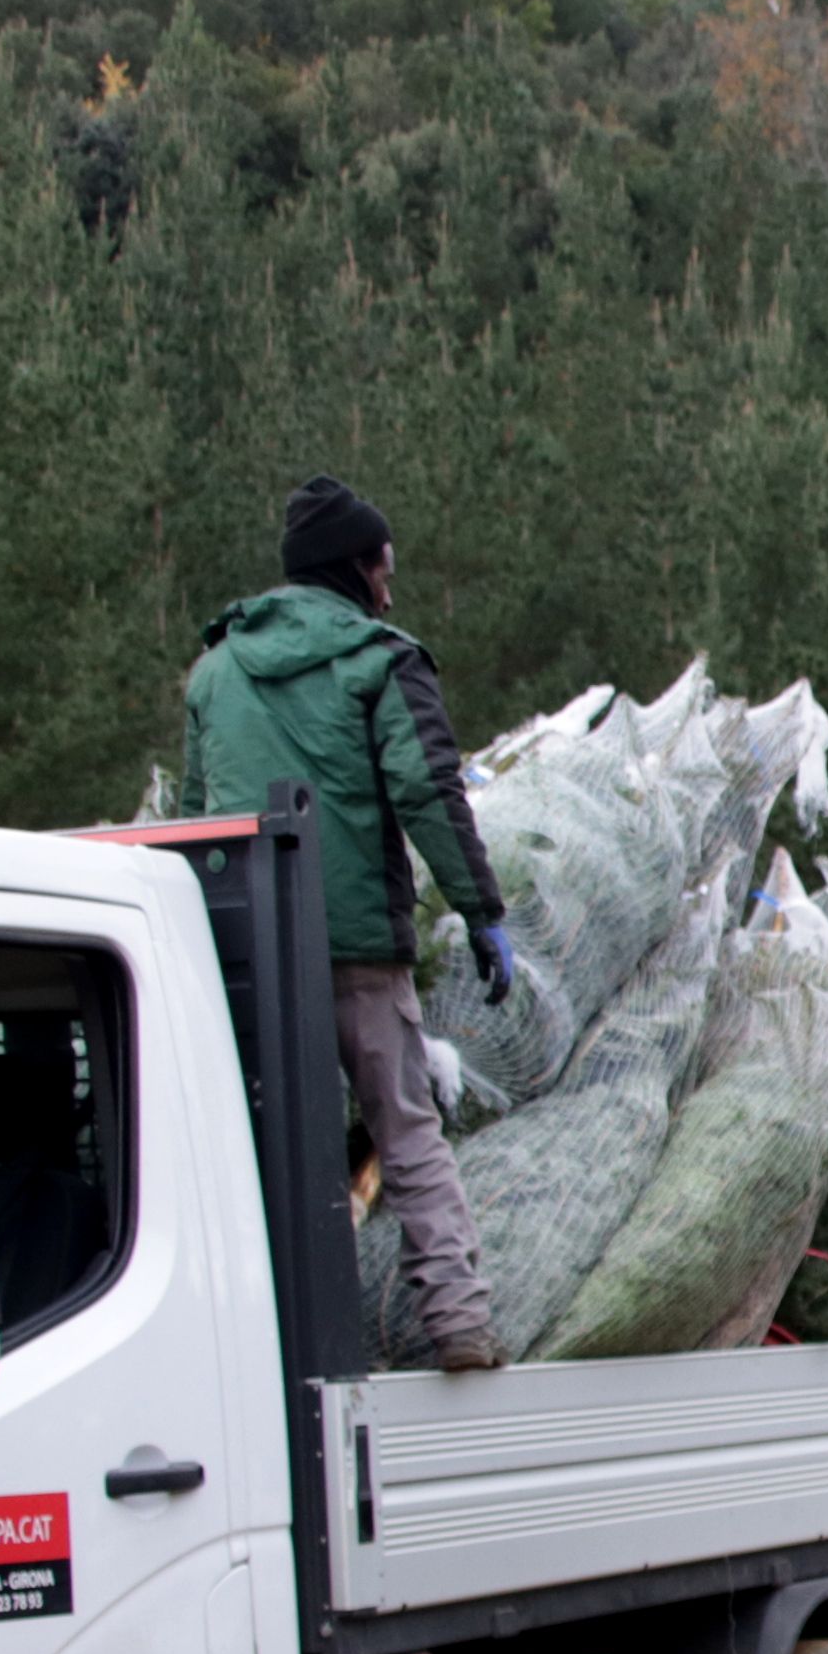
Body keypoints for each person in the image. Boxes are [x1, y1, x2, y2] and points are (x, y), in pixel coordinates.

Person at [185, 475, 519, 1371]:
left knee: (257, 1146)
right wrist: (484, 913)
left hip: (254, 950)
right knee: (406, 1131)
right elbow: (429, 793)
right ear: (354, 568)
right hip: (360, 954)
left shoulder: (215, 670)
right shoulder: (381, 661)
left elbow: (191, 818)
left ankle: (257, 1346)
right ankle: (457, 1324)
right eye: (384, 565)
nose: (391, 584)